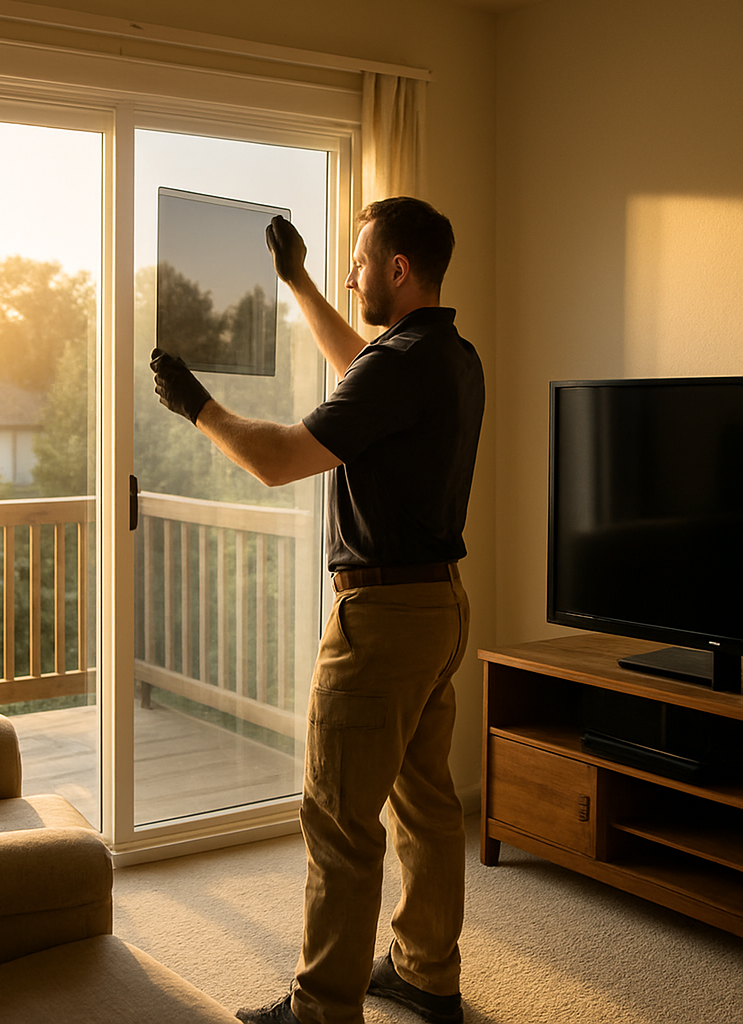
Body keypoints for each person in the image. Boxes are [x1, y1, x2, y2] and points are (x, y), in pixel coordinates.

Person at [150, 197, 484, 1024]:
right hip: (439, 607)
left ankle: (322, 1012)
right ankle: (427, 972)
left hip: (382, 621)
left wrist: (196, 404)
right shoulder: (448, 355)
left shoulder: (399, 366)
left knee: (339, 820)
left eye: (361, 262)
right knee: (428, 805)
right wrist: (297, 281)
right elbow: (362, 365)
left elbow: (277, 458)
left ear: (398, 269)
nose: (352, 276)